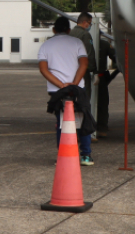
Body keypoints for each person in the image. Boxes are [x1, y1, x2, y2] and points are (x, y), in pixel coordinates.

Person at [38, 15, 94, 165]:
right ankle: (85, 155)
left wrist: (61, 85)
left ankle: (63, 156)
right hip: (78, 89)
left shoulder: (46, 45)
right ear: (69, 30)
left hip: (57, 91)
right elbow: (84, 64)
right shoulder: (77, 43)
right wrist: (74, 83)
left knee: (62, 122)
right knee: (83, 119)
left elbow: (43, 69)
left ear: (54, 29)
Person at [70, 12, 97, 133]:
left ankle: (70, 129)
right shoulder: (85, 35)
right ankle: (85, 131)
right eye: (90, 23)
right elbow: (89, 55)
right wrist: (94, 71)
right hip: (82, 73)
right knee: (84, 101)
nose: (89, 25)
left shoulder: (69, 34)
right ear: (85, 22)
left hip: (68, 73)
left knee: (70, 102)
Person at [95, 36, 119, 137]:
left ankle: (86, 128)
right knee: (103, 103)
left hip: (85, 78)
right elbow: (115, 57)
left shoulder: (79, 42)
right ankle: (102, 128)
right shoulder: (104, 44)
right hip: (100, 78)